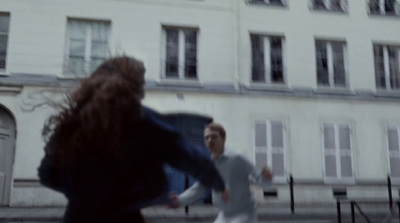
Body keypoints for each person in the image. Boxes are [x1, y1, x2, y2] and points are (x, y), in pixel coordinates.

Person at [37, 56, 228, 223]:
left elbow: (47, 173)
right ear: (130, 87)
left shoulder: (75, 122)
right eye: (140, 86)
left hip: (77, 217)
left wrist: (83, 195)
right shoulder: (142, 120)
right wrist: (219, 185)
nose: (143, 94)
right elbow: (192, 159)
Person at [170, 122, 273, 223]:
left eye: (214, 137)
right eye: (207, 137)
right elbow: (198, 189)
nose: (210, 140)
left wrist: (266, 178)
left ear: (223, 139)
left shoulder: (238, 158)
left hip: (245, 214)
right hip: (224, 215)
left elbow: (262, 181)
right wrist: (178, 201)